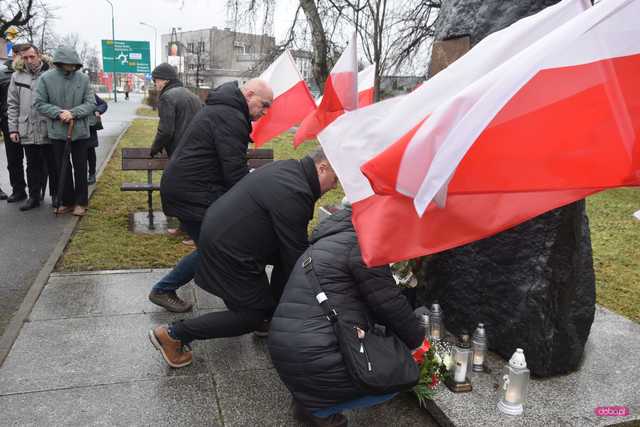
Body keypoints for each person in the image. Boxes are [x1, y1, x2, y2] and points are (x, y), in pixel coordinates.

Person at [148, 147, 339, 369]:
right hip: (229, 251)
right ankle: (173, 335)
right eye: (334, 180)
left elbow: (288, 253)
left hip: (225, 236)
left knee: (281, 262)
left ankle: (271, 316)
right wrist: (325, 294)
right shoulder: (296, 191)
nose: (334, 187)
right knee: (250, 316)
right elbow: (297, 254)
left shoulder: (290, 170)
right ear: (322, 167)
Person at [268, 207, 424, 427]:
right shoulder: (364, 246)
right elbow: (389, 303)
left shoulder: (329, 240)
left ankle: (309, 402)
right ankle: (321, 413)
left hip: (286, 346)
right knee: (399, 375)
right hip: (312, 355)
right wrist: (419, 342)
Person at [147, 78, 273, 313]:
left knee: (214, 249)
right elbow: (233, 170)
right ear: (249, 95)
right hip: (192, 193)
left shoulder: (227, 110)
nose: (265, 112)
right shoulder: (230, 116)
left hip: (193, 189)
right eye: (264, 104)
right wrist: (257, 201)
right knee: (218, 249)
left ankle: (243, 309)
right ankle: (243, 310)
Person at [35, 46, 96, 216]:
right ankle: (68, 201)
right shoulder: (46, 79)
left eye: (74, 64)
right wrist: (58, 113)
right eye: (69, 64)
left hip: (80, 132)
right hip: (57, 132)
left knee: (80, 167)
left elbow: (91, 103)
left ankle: (81, 202)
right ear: (60, 63)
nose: (72, 67)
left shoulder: (83, 79)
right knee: (63, 167)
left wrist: (73, 113)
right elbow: (39, 103)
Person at [7, 44, 57, 211]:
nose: (29, 60)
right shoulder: (17, 76)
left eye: (32, 56)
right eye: (25, 57)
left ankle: (56, 196)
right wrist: (13, 129)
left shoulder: (51, 74)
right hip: (26, 126)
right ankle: (33, 197)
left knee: (52, 163)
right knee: (32, 164)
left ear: (39, 55)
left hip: (48, 126)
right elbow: (12, 104)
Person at [148, 63, 202, 158]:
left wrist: (155, 148)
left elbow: (166, 131)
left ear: (165, 80)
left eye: (155, 80)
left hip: (179, 154)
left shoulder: (167, 97)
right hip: (196, 151)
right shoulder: (194, 97)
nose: (155, 83)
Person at [1, 55, 26, 203]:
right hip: (8, 122)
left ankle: (38, 191)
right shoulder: (2, 74)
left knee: (35, 160)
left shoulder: (33, 73)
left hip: (31, 121)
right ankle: (18, 189)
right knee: (14, 159)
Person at [87, 94, 108, 185]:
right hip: (75, 128)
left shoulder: (89, 92)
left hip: (89, 127)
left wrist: (98, 111)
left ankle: (92, 174)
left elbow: (103, 104)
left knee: (90, 152)